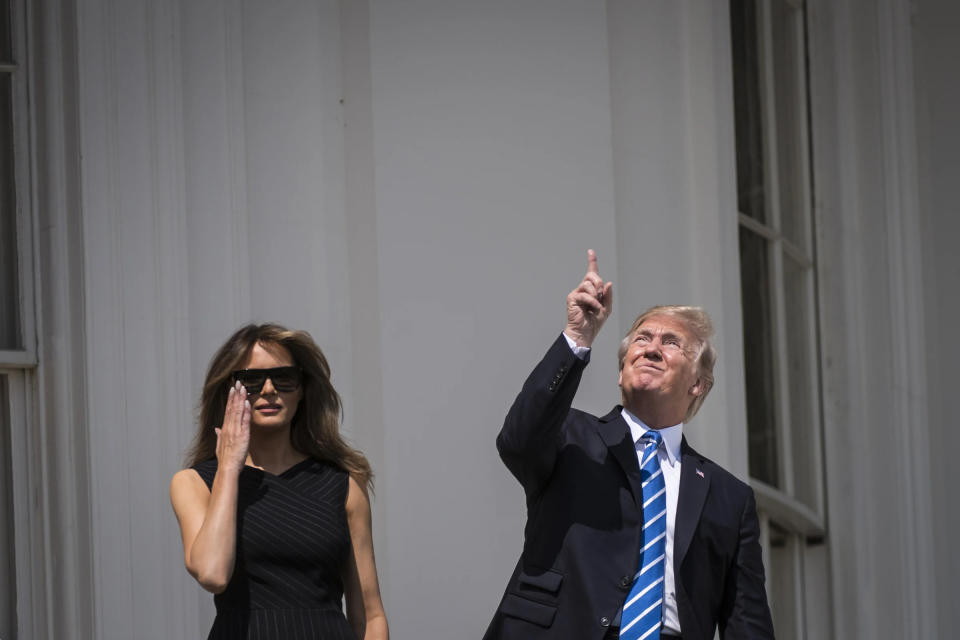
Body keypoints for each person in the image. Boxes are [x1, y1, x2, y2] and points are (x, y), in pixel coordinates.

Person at [484, 251, 774, 640]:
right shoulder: (570, 437)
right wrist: (578, 337)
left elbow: (748, 621)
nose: (651, 348)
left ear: (698, 385)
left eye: (671, 343)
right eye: (642, 338)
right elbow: (517, 441)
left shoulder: (730, 498)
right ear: (622, 371)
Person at [170, 324, 388, 640]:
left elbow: (369, 615)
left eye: (284, 378)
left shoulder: (343, 483)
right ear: (228, 390)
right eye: (252, 381)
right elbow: (212, 573)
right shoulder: (193, 483)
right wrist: (229, 470)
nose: (269, 389)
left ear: (301, 390)